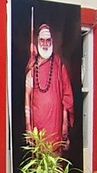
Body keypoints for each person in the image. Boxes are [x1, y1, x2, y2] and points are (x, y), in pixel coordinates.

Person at [25, 23, 74, 155]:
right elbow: (27, 99)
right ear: (37, 42)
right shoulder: (32, 67)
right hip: (38, 128)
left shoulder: (59, 66)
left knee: (56, 168)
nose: (45, 44)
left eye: (48, 40)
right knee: (38, 167)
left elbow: (66, 99)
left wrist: (64, 125)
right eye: (42, 40)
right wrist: (28, 126)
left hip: (56, 127)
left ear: (52, 42)